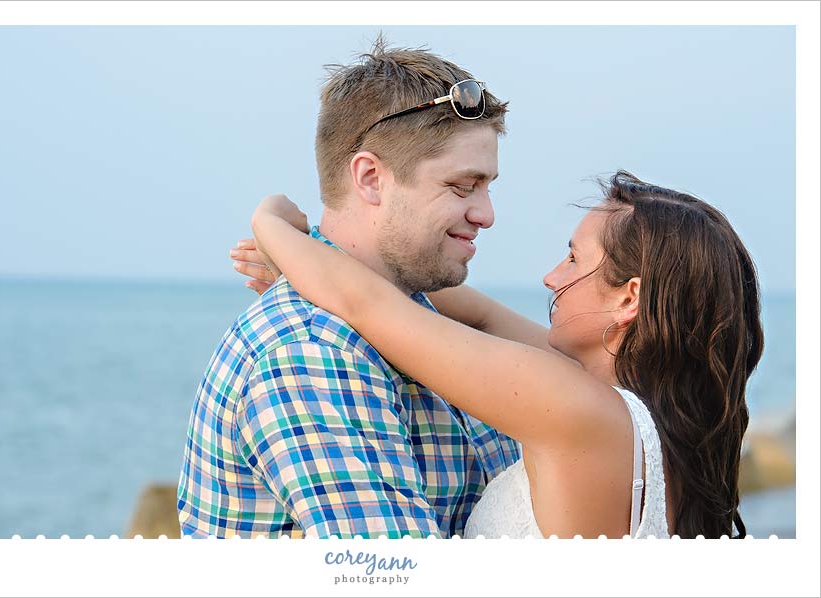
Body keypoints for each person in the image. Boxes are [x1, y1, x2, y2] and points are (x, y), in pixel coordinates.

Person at [234, 171, 764, 538]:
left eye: (574, 258)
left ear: (629, 297)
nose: (551, 276)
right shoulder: (642, 418)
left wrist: (272, 222)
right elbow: (479, 314)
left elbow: (368, 306)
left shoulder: (573, 406)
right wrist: (324, 254)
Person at [177, 38, 521, 539]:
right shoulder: (312, 354)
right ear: (371, 178)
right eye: (461, 187)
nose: (486, 215)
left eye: (488, 187)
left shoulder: (421, 314)